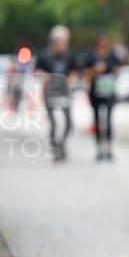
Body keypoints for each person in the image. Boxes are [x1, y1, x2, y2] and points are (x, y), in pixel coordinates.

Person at [36, 25, 77, 162]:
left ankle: (61, 144)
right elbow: (37, 71)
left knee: (69, 123)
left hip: (64, 91)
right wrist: (44, 76)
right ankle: (55, 147)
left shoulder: (69, 55)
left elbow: (74, 70)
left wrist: (72, 78)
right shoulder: (45, 55)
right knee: (53, 123)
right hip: (50, 91)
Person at [82, 33, 121, 161]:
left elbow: (118, 68)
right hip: (95, 92)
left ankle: (109, 149)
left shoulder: (112, 55)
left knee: (109, 121)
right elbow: (85, 73)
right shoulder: (91, 56)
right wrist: (95, 70)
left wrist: (115, 72)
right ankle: (99, 150)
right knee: (97, 121)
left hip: (109, 91)